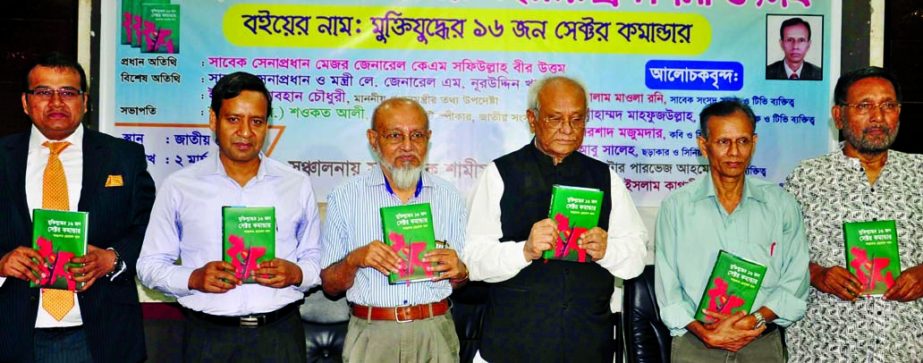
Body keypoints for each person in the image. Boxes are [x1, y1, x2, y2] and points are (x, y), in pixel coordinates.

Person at [136, 72, 321, 362]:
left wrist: (296, 273)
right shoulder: (180, 186)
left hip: (279, 336)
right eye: (233, 119)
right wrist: (194, 278)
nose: (246, 132)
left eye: (256, 121)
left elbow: (314, 257)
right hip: (208, 338)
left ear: (267, 125)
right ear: (213, 120)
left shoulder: (296, 184)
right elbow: (148, 266)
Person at [464, 76, 647, 362]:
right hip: (514, 345)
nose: (567, 129)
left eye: (577, 119)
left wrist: (607, 250)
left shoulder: (605, 177)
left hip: (586, 344)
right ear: (532, 119)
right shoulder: (500, 173)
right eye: (554, 118)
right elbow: (473, 261)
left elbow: (636, 258)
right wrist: (524, 250)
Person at [0, 52, 154, 362]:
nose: (56, 102)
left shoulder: (123, 157)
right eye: (43, 92)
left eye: (68, 92)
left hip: (102, 333)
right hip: (13, 333)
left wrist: (113, 258)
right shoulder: (2, 157)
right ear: (26, 103)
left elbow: (150, 229)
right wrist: (1, 264)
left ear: (85, 102)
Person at [654, 99, 810, 362]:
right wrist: (706, 334)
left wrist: (755, 319)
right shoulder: (676, 207)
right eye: (723, 142)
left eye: (743, 141)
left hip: (760, 342)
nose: (735, 152)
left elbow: (796, 281)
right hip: (697, 345)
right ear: (703, 146)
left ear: (754, 142)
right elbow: (668, 291)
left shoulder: (781, 204)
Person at [784, 67, 923, 361]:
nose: (877, 117)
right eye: (864, 106)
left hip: (908, 346)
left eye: (888, 106)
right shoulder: (807, 177)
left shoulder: (919, 172)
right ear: (838, 116)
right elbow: (776, 253)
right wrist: (816, 274)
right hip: (825, 347)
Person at [320, 97, 468, 362]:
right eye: (395, 136)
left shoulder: (450, 196)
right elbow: (330, 287)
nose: (408, 147)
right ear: (374, 140)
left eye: (417, 135)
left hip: (435, 331)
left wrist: (460, 271)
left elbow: (460, 282)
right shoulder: (345, 197)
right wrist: (355, 259)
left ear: (428, 138)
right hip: (372, 334)